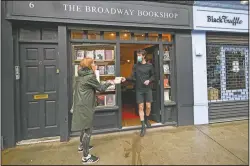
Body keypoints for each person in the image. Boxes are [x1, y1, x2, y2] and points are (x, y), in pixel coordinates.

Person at [71, 58, 114, 164]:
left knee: (84, 127)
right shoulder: (90, 76)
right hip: (86, 106)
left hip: (80, 104)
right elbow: (101, 88)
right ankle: (86, 157)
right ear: (89, 65)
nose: (95, 65)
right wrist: (110, 82)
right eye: (94, 63)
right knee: (88, 131)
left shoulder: (80, 76)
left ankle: (82, 145)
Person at [121, 49, 155, 137]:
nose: (138, 57)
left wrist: (149, 80)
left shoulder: (149, 66)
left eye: (139, 55)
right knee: (140, 107)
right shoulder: (135, 66)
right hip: (139, 89)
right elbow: (132, 77)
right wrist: (126, 78)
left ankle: (147, 119)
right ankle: (143, 126)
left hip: (147, 89)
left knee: (148, 106)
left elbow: (153, 76)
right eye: (137, 55)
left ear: (144, 56)